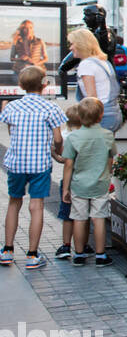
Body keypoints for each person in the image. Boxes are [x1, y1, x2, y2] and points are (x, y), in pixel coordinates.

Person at [0, 65, 66, 269]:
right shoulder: (51, 108)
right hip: (40, 163)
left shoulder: (11, 107)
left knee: (14, 203)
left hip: (16, 162)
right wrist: (57, 151)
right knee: (36, 207)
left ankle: (8, 251)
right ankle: (32, 255)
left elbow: (11, 132)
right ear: (45, 85)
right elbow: (57, 138)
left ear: (20, 85)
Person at [60, 97, 115, 267]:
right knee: (98, 219)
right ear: (101, 116)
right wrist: (108, 174)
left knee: (79, 218)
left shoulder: (73, 137)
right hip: (100, 182)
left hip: (79, 184)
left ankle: (79, 254)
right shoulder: (107, 135)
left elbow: (68, 164)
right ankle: (100, 255)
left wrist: (66, 189)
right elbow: (110, 158)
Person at [68, 28, 122, 134]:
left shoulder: (86, 64)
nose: (70, 48)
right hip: (113, 113)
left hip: (100, 117)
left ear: (81, 44)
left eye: (72, 44)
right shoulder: (103, 61)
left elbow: (91, 99)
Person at [51, 101, 84, 260]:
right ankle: (83, 245)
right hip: (85, 179)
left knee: (67, 215)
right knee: (83, 215)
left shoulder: (64, 135)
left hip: (68, 180)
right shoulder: (86, 136)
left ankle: (66, 245)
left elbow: (63, 158)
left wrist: (55, 156)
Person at [9, 20, 47, 85]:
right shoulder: (16, 42)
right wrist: (21, 58)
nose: (28, 30)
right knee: (23, 84)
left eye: (30, 27)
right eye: (25, 28)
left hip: (37, 71)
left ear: (33, 29)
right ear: (22, 29)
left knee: (38, 84)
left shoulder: (40, 41)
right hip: (20, 72)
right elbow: (11, 58)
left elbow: (46, 58)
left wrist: (37, 63)